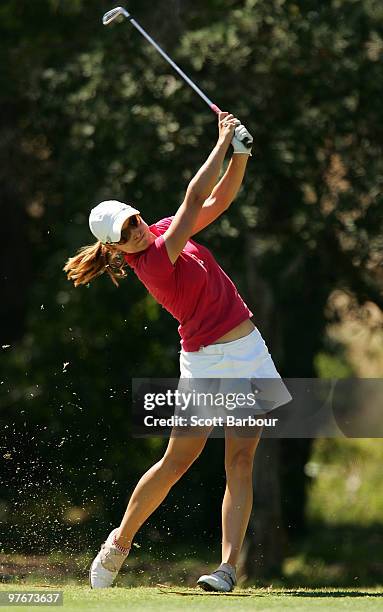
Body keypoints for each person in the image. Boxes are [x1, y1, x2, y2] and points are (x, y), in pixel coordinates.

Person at [64, 112, 291, 592]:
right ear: (117, 248)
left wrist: (242, 155)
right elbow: (192, 199)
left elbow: (217, 199)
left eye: (135, 220)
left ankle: (228, 568)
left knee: (242, 461)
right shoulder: (152, 264)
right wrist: (224, 141)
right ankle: (120, 543)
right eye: (126, 233)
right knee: (177, 461)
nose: (137, 230)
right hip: (205, 362)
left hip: (248, 351)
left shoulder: (164, 233)